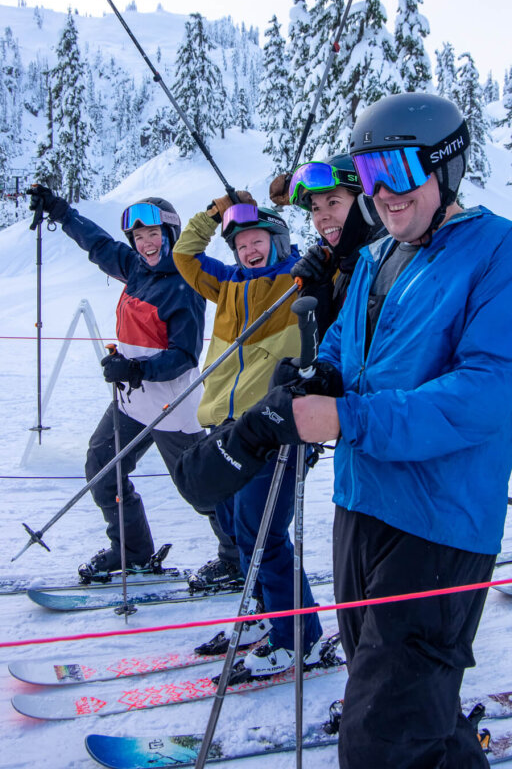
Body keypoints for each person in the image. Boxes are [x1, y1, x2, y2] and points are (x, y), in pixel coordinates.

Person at [173, 93, 512, 768]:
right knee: (409, 710)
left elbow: (480, 396)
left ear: (445, 166)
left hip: (440, 521)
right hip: (361, 503)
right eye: (369, 177)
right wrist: (312, 383)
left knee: (379, 741)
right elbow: (349, 352)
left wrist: (345, 416)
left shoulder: (500, 252)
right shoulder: (376, 258)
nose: (385, 194)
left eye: (399, 172)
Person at [27, 186, 234, 578]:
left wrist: (136, 370)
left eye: (153, 235)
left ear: (170, 235)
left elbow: (184, 357)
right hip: (131, 401)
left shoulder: (183, 284)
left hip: (171, 406)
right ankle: (132, 550)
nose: (146, 244)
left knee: (200, 486)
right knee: (102, 466)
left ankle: (238, 557)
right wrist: (60, 210)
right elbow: (96, 243)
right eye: (138, 237)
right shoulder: (135, 267)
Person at [172, 193, 323, 674]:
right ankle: (264, 611)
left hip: (275, 426)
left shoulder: (299, 277)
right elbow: (184, 254)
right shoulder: (228, 284)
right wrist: (216, 210)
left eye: (258, 240)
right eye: (241, 244)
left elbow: (341, 255)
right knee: (238, 528)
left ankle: (299, 636)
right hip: (225, 424)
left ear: (277, 241)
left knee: (265, 535)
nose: (249, 250)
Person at [285, 154, 384, 338]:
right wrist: (317, 290)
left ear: (366, 204)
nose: (322, 216)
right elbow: (330, 344)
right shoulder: (345, 267)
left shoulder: (386, 266)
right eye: (316, 208)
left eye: (333, 202)